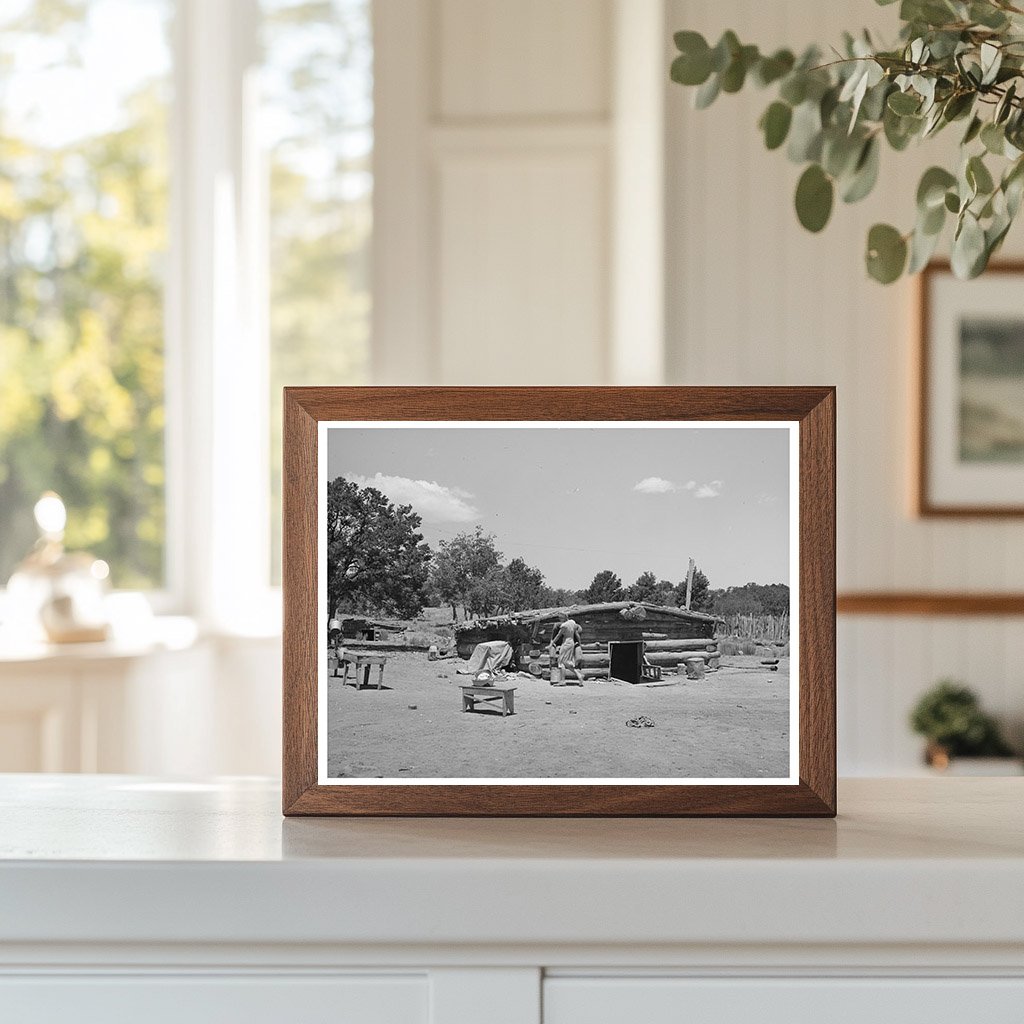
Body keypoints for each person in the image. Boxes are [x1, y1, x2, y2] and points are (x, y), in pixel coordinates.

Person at [549, 615, 586, 686]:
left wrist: (552, 643)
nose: (560, 619)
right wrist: (580, 643)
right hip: (571, 642)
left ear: (563, 618)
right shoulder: (572, 622)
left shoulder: (564, 626)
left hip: (566, 643)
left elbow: (558, 636)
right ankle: (579, 675)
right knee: (566, 662)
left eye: (560, 618)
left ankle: (563, 681)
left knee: (561, 662)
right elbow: (576, 634)